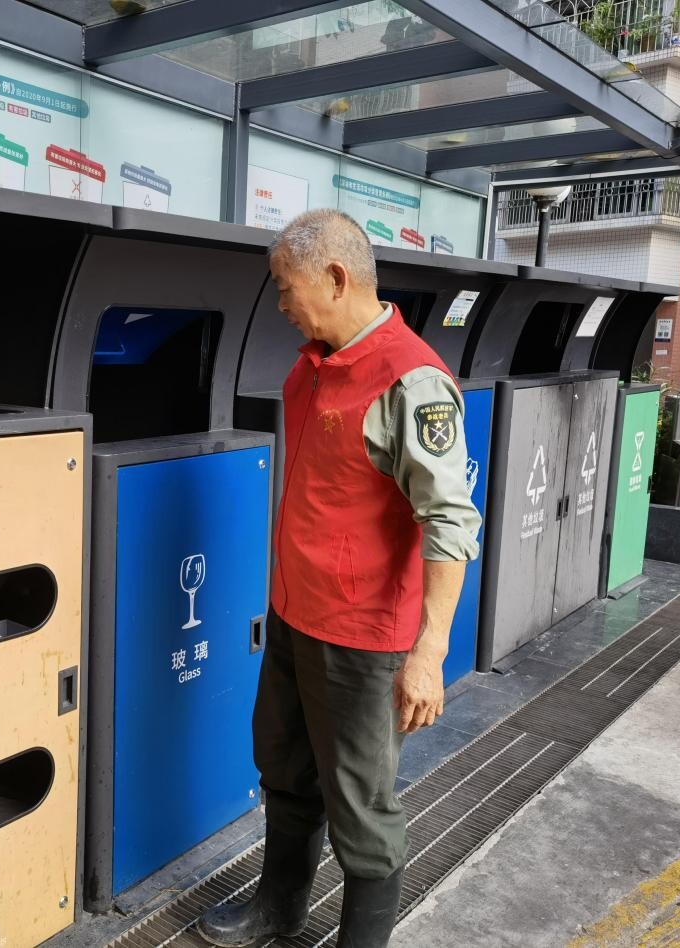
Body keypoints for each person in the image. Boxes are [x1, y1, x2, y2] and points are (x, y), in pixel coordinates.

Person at [196, 209, 481, 948]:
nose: (281, 304)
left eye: (286, 288)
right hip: (296, 616)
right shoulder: (315, 360)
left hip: (363, 639)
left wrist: (429, 653)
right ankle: (279, 911)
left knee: (362, 809)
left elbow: (450, 520)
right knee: (287, 773)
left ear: (334, 277)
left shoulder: (409, 381)